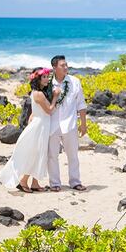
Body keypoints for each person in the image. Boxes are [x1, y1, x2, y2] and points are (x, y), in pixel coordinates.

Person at [0, 67, 60, 193]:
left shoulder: (36, 92)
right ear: (38, 79)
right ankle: (24, 181)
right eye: (44, 77)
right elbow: (49, 110)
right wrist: (55, 97)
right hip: (40, 125)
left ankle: (35, 183)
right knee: (36, 153)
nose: (47, 79)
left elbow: (35, 112)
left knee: (40, 153)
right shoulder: (39, 94)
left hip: (41, 124)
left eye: (48, 77)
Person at [47, 55, 88, 192]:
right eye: (62, 65)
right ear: (54, 68)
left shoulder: (75, 82)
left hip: (70, 124)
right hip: (51, 124)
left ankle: (75, 181)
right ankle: (54, 183)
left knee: (73, 155)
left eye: (66, 65)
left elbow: (81, 103)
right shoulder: (48, 84)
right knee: (52, 155)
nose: (66, 67)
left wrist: (83, 123)